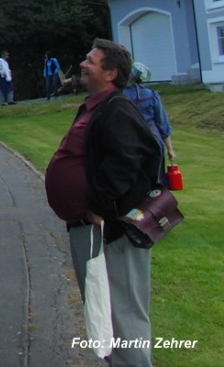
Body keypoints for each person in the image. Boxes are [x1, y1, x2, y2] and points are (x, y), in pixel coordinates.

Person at [44, 39, 160, 367]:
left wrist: (100, 206)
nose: (83, 64)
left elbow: (128, 159)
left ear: (110, 73)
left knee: (121, 311)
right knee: (102, 309)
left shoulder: (117, 108)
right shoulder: (98, 106)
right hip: (90, 226)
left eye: (91, 61)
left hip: (110, 230)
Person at [123, 62, 177, 186]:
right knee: (156, 181)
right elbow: (163, 125)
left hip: (130, 142)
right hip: (154, 141)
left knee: (133, 182)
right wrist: (170, 150)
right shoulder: (152, 96)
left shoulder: (121, 96)